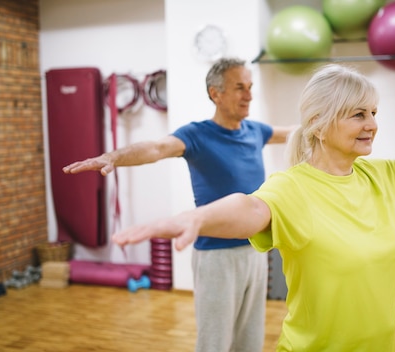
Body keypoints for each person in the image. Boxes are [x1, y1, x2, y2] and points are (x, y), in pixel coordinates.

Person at [110, 64, 395, 351]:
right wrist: (195, 218)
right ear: (321, 124)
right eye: (358, 114)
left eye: (374, 112)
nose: (372, 124)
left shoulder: (382, 176)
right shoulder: (291, 188)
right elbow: (250, 210)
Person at [63, 57, 296, 352]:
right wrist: (113, 157)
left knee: (250, 342)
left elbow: (292, 132)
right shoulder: (196, 135)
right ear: (216, 93)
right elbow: (156, 148)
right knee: (215, 343)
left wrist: (335, 119)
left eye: (250, 87)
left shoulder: (255, 131)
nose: (249, 95)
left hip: (256, 250)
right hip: (216, 258)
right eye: (240, 87)